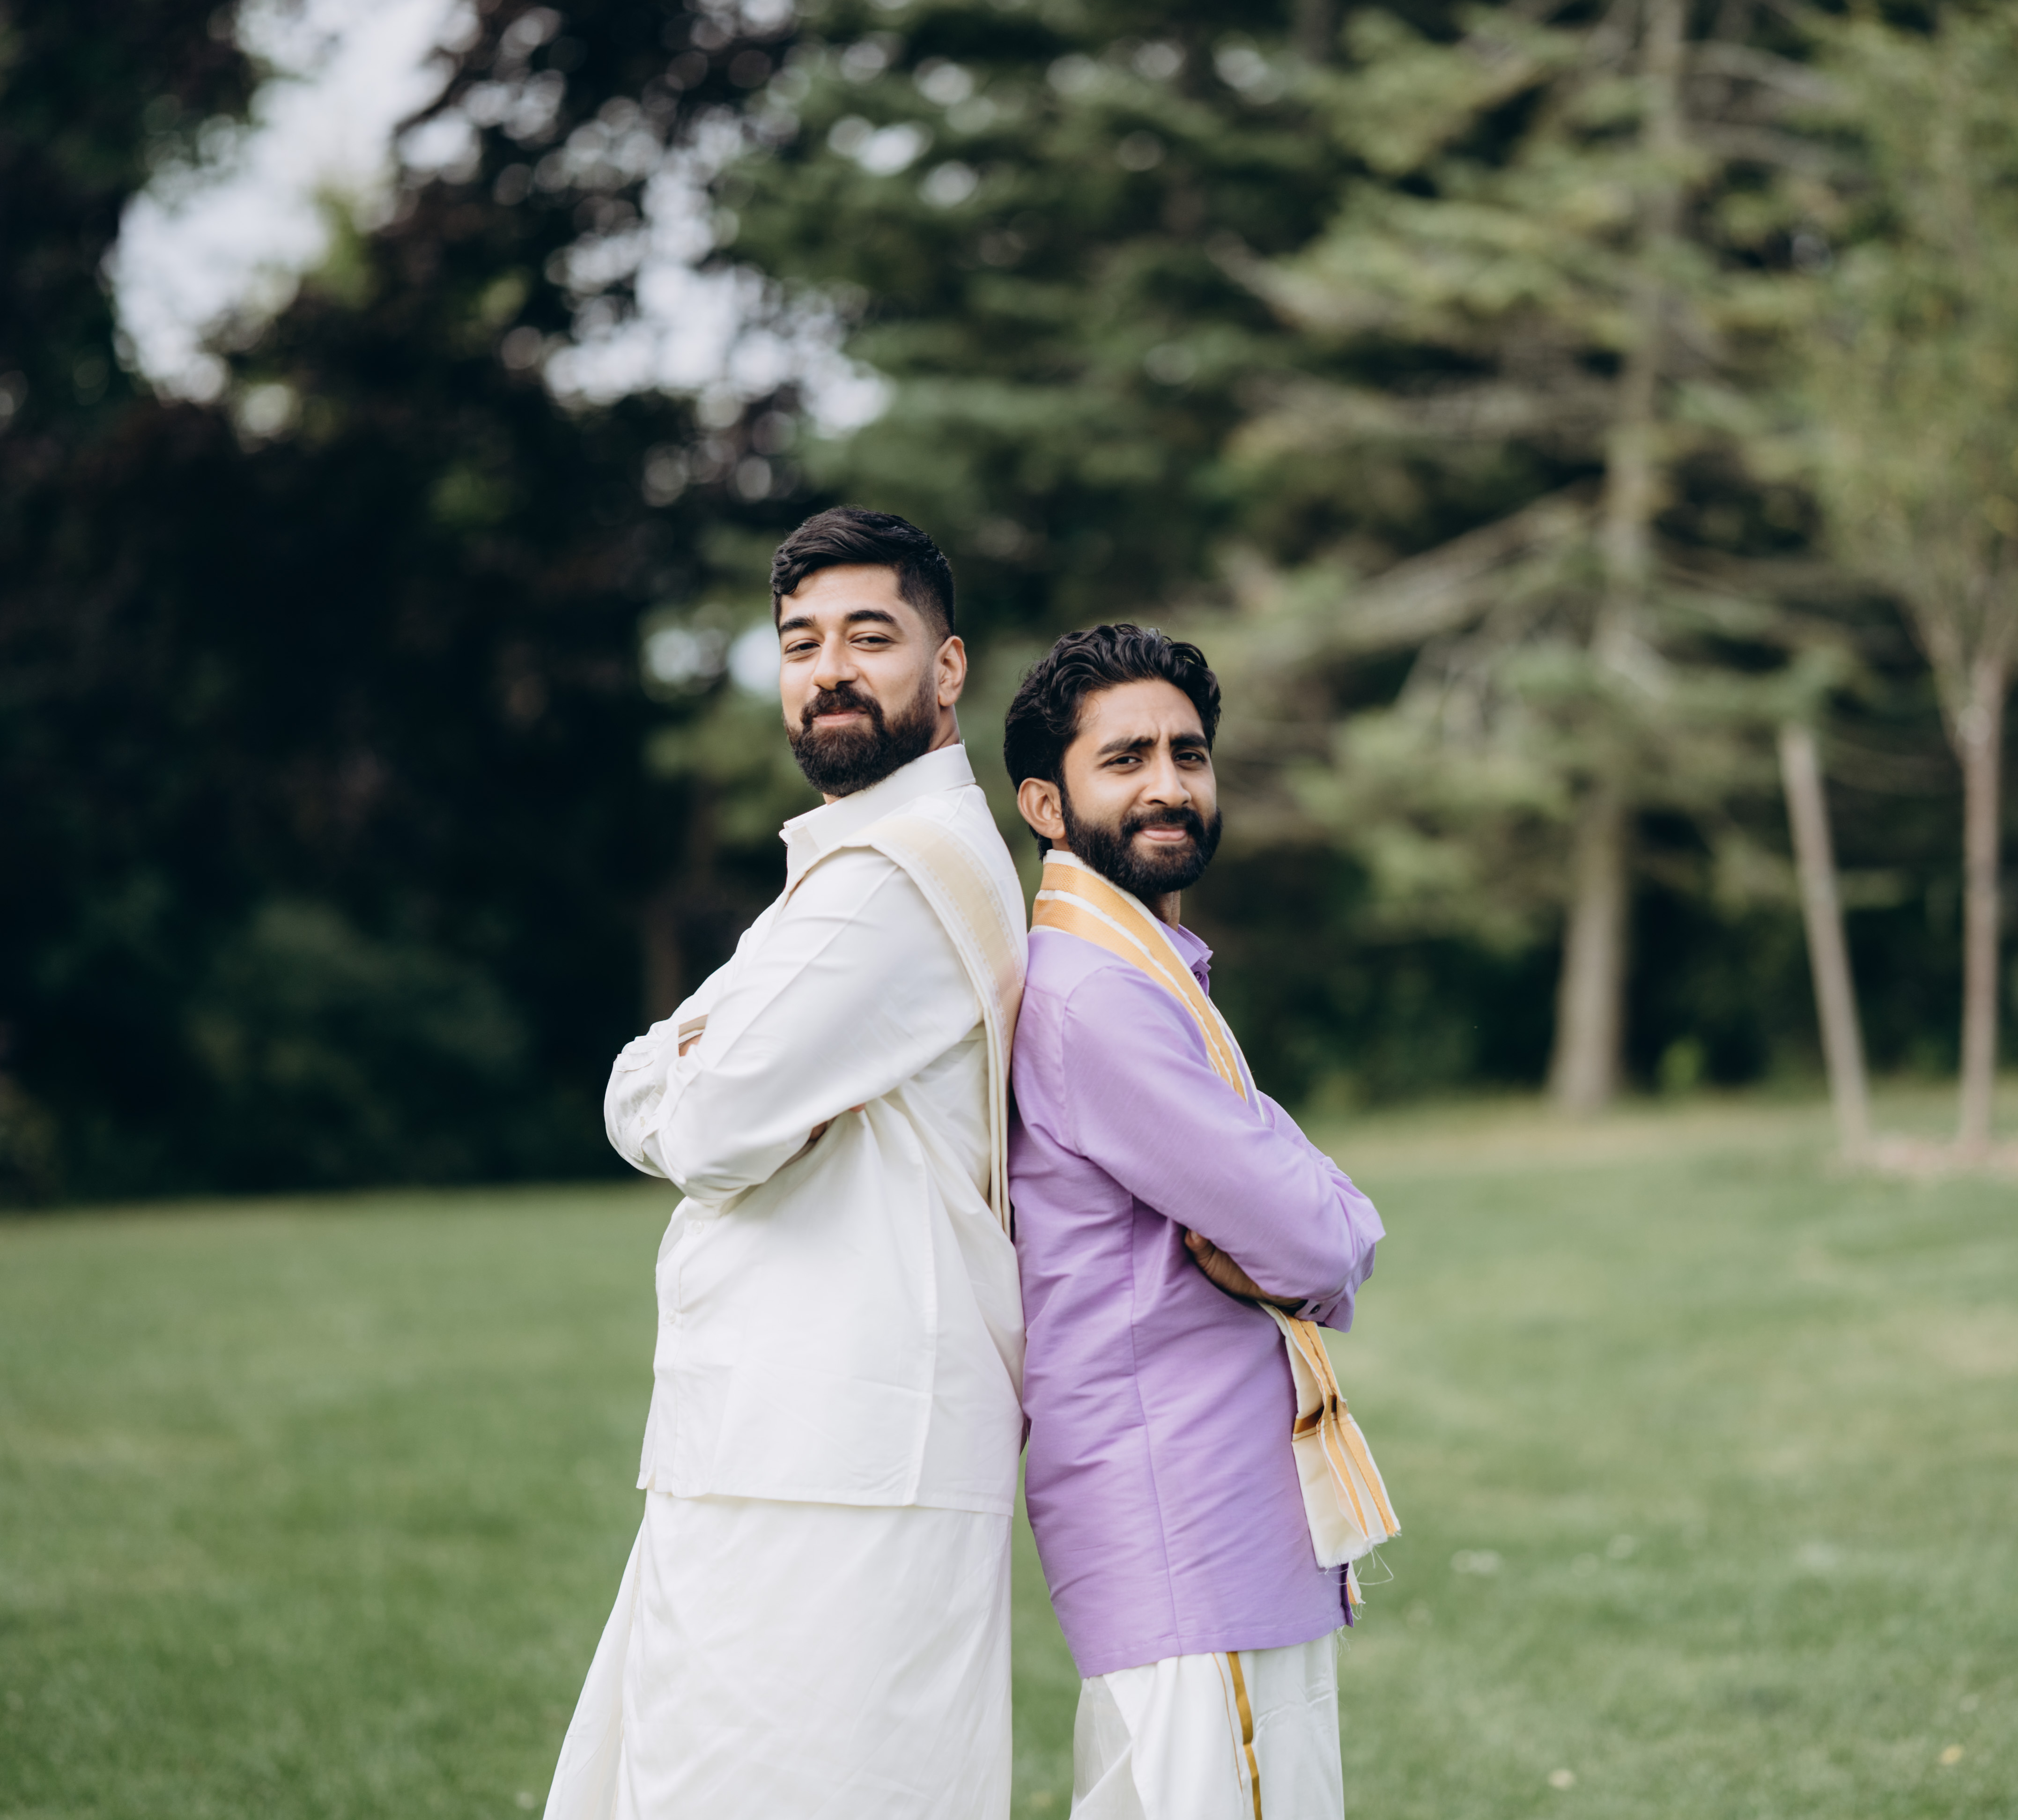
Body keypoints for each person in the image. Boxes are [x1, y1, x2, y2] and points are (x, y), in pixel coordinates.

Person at [544, 508, 1029, 1820]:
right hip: (795, 1437)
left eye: (870, 636)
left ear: (946, 667)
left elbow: (696, 1124)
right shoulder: (857, 865)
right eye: (800, 641)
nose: (829, 669)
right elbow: (654, 1086)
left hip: (830, 1456)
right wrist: (682, 1071)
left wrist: (680, 1069)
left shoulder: (892, 879)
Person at [1003, 625, 1391, 1820]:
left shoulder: (1140, 971)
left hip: (1202, 1534)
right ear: (1045, 803)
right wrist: (1318, 1213)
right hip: (1188, 1528)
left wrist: (1296, 1201)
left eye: (1187, 752)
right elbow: (1320, 1239)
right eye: (1124, 758)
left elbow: (1291, 1213)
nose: (1168, 783)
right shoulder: (1097, 997)